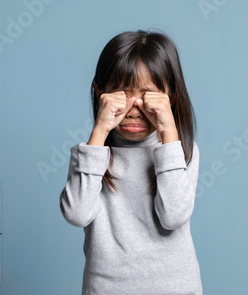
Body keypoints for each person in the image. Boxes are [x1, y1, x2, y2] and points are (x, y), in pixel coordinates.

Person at [59, 29, 202, 295]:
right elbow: (77, 214)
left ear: (169, 96)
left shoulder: (182, 151)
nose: (134, 110)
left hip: (176, 288)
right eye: (123, 95)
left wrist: (168, 135)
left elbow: (173, 216)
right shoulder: (90, 155)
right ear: (100, 93)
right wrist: (99, 133)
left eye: (149, 96)